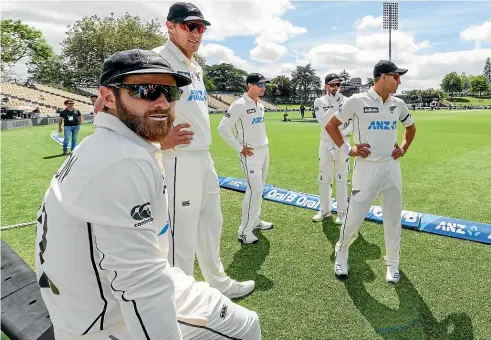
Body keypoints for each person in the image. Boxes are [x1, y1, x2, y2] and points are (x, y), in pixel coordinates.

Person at [35, 48, 261, 340]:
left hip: (84, 304)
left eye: (170, 92)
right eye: (146, 90)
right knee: (247, 324)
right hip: (105, 321)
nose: (163, 103)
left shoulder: (105, 146)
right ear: (107, 97)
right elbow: (141, 285)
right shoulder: (124, 161)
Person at [153, 2, 255, 298]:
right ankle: (179, 298)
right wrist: (159, 141)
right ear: (170, 26)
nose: (196, 33)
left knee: (211, 223)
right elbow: (124, 106)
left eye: (201, 27)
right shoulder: (158, 60)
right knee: (181, 235)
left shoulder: (194, 66)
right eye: (189, 26)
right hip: (177, 159)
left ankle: (218, 283)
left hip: (202, 157)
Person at [325, 60, 416, 284]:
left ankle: (393, 263)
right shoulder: (357, 101)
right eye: (396, 76)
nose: (399, 81)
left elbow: (411, 128)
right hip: (366, 170)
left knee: (393, 218)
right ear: (383, 77)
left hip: (391, 168)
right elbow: (331, 125)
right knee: (354, 219)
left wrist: (403, 148)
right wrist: (349, 149)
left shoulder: (398, 104)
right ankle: (342, 251)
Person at [217, 73, 274, 244]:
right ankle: (244, 231)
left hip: (264, 150)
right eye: (260, 85)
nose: (263, 87)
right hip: (249, 154)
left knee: (260, 188)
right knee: (254, 190)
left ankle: (255, 221)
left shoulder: (260, 104)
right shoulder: (239, 105)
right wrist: (239, 148)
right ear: (250, 85)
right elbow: (222, 128)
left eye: (264, 85)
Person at [312, 73, 352, 224]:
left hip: (343, 141)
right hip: (326, 142)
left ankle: (342, 213)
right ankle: (324, 210)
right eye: (332, 85)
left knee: (342, 176)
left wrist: (341, 135)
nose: (335, 88)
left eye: (338, 85)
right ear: (326, 86)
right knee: (324, 177)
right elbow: (323, 122)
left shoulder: (347, 101)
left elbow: (351, 122)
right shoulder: (319, 101)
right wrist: (335, 106)